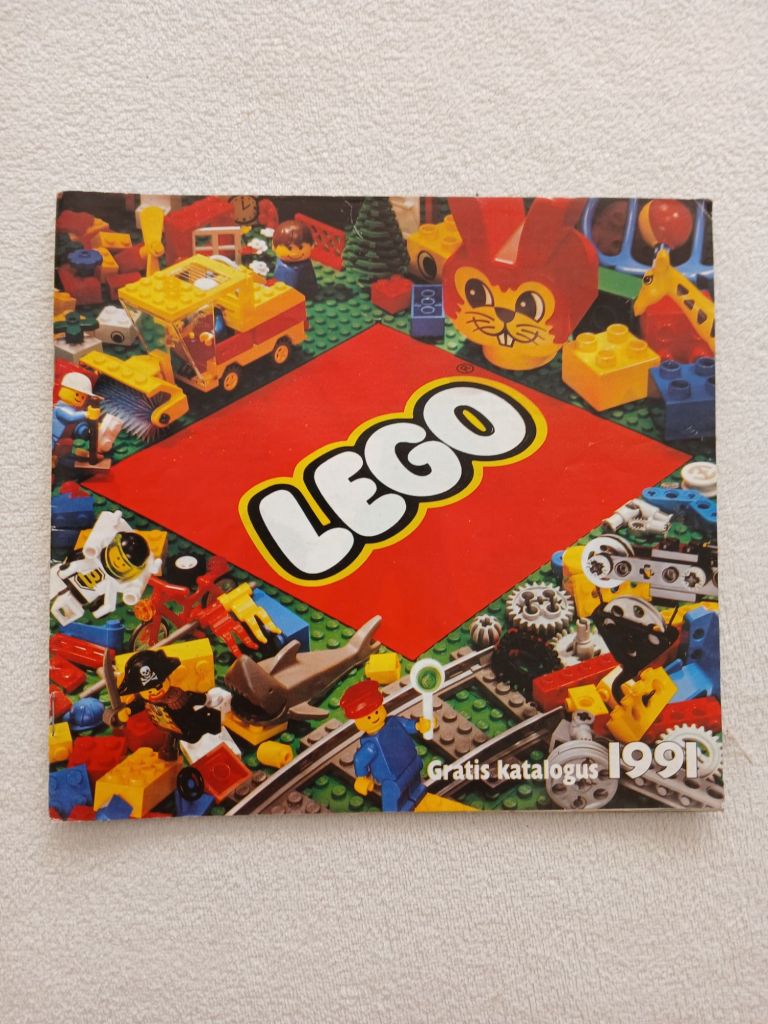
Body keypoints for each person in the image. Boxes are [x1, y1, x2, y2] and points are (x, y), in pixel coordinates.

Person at [340, 678, 431, 812]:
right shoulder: (371, 745)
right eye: (368, 717)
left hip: (411, 763)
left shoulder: (393, 722)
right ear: (358, 722)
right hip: (392, 779)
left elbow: (407, 725)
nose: (374, 717)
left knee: (414, 783)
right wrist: (362, 777)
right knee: (392, 794)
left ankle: (416, 794)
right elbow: (360, 760)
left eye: (376, 711)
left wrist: (418, 726)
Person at [272, 219, 318, 299]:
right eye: (289, 248)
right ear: (274, 247)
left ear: (312, 245)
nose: (295, 253)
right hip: (285, 296)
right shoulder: (282, 266)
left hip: (307, 294)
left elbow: (310, 283)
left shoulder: (306, 265)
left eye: (300, 247)